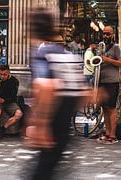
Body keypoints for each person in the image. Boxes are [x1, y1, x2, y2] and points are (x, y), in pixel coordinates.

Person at [22, 8, 89, 180]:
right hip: (64, 130)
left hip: (52, 125)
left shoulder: (43, 52)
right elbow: (86, 93)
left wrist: (41, 125)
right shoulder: (67, 54)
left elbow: (46, 86)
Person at [96, 26, 121, 144]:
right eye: (104, 33)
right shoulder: (100, 47)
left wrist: (107, 59)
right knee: (104, 108)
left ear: (112, 34)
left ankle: (113, 135)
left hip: (112, 82)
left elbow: (120, 63)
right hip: (102, 81)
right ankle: (107, 132)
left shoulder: (116, 47)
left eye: (108, 34)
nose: (105, 36)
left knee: (111, 108)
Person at [0, 64, 23, 144]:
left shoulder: (14, 81)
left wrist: (4, 100)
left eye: (5, 74)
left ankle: (3, 129)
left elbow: (13, 97)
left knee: (19, 114)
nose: (2, 76)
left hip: (9, 102)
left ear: (9, 72)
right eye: (1, 74)